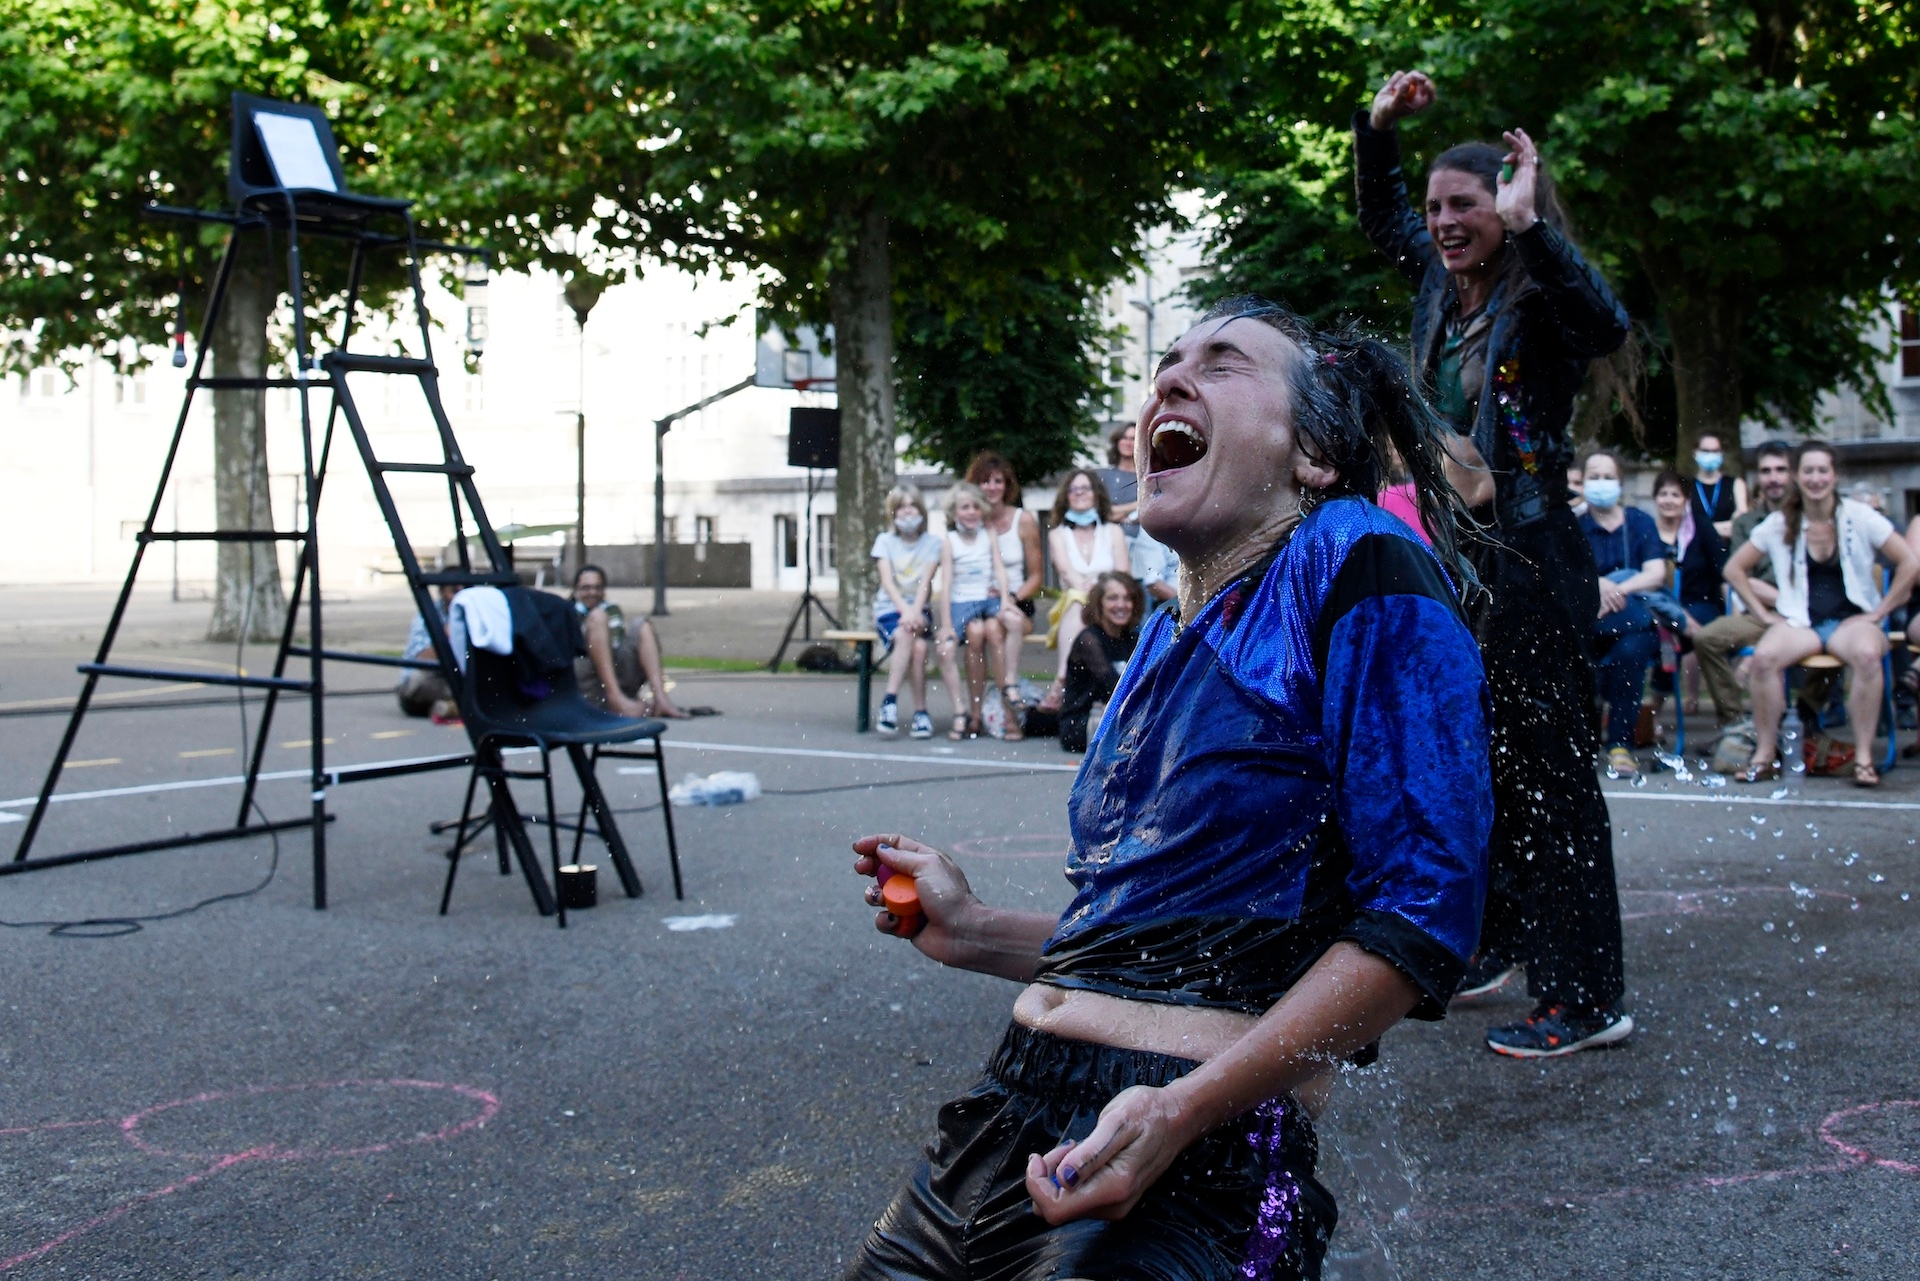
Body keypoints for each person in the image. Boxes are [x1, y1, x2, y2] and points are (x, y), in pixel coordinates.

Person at [842, 299, 1490, 1281]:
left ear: (1313, 452)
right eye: (1166, 366)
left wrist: (1182, 1110)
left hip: (1196, 1150)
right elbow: (1158, 949)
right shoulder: (1156, 637)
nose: (1169, 383)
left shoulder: (1355, 559)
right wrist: (971, 927)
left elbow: (1425, 915)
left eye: (1223, 364)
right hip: (996, 1128)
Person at [1358, 69, 1635, 1054]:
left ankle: (1587, 997)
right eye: (1435, 208)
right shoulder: (1441, 284)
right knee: (1492, 765)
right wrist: (1377, 129)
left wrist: (1531, 228)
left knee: (1553, 774)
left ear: (1503, 207)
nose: (1441, 223)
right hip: (1465, 566)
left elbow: (1608, 324)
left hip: (1534, 558)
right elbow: (1381, 219)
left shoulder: (1536, 292)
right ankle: (1505, 938)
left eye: (1463, 205)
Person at [1723, 443, 1918, 786]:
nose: (1815, 479)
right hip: (1802, 623)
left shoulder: (1860, 516)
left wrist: (1881, 612)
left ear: (1834, 475)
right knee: (1765, 657)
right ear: (1798, 476)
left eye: (1822, 471)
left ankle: (1863, 758)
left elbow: (1909, 562)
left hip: (1851, 621)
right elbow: (1735, 569)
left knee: (1869, 655)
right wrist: (1762, 615)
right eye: (1808, 471)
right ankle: (1765, 755)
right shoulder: (1780, 521)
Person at [1578, 452, 1669, 777]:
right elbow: (1565, 575)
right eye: (1594, 476)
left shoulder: (1639, 522)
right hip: (1590, 619)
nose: (1600, 483)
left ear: (1619, 482)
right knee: (1574, 654)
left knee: (1630, 653)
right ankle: (1582, 742)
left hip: (1633, 620)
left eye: (1607, 476)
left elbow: (1656, 573)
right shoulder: (1575, 527)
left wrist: (1618, 588)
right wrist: (1597, 586)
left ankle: (1620, 745)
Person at [1693, 443, 1794, 731]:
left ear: (1793, 475)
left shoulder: (1809, 517)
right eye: (1766, 471)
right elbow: (1739, 577)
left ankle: (1807, 719)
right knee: (1707, 638)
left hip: (1806, 615)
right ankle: (1734, 724)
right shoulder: (1746, 523)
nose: (1773, 478)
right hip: (1761, 612)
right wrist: (1763, 609)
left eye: (1781, 470)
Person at [1039, 470, 1131, 712]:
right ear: (1066, 496)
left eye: (1085, 488)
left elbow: (1122, 574)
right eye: (1073, 489)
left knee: (1083, 601)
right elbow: (1067, 573)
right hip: (1073, 601)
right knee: (1077, 600)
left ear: (1096, 494)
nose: (1079, 493)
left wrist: (1100, 591)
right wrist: (1087, 590)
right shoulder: (1057, 534)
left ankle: (1060, 683)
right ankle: (1062, 678)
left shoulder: (1113, 531)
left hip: (1111, 601)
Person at [934, 482, 1015, 740]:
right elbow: (945, 584)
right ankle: (966, 710)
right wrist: (946, 623)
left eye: (974, 507)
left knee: (999, 626)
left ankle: (1008, 697)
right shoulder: (950, 541)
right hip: (961, 604)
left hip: (986, 599)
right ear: (954, 513)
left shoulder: (988, 534)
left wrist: (1004, 600)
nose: (970, 512)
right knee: (959, 641)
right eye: (964, 508)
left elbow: (999, 568)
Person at [969, 452, 1045, 719]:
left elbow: (1037, 577)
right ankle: (982, 712)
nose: (991, 487)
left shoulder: (1023, 520)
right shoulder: (969, 519)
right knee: (984, 630)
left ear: (1007, 485)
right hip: (978, 602)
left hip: (1016, 602)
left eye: (998, 481)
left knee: (999, 625)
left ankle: (1007, 702)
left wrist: (1009, 598)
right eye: (985, 481)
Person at [569, 565, 687, 719]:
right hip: (586, 679)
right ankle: (615, 699)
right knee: (598, 617)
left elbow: (618, 642)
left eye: (598, 587)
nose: (592, 592)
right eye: (586, 588)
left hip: (618, 671)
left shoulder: (612, 609)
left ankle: (661, 700)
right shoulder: (568, 611)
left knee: (643, 625)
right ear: (576, 590)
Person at [872, 485, 940, 739]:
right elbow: (888, 583)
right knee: (916, 645)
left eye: (912, 505)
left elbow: (926, 582)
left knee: (909, 636)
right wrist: (905, 611)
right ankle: (918, 712)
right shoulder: (884, 541)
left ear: (921, 509)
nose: (907, 511)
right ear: (893, 512)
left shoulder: (932, 543)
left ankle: (890, 701)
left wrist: (915, 611)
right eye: (901, 506)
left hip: (919, 607)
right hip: (890, 609)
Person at [1651, 468, 1719, 715]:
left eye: (1675, 495)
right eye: (1663, 494)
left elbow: (1721, 570)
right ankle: (1651, 715)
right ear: (1655, 498)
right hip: (1659, 610)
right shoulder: (1646, 531)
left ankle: (1653, 711)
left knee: (1670, 637)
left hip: (1699, 605)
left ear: (1686, 500)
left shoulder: (1701, 529)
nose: (1669, 500)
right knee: (1666, 636)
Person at [1058, 571, 1143, 754]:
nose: (1121, 605)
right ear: (1099, 603)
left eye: (1127, 599)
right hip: (1083, 723)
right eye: (1113, 598)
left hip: (1117, 718)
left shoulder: (1134, 639)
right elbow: (1116, 687)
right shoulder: (1088, 640)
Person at [396, 583, 458, 720]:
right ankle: (453, 705)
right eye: (454, 591)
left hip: (452, 677)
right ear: (442, 592)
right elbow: (422, 659)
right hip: (421, 682)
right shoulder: (427, 615)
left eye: (464, 591)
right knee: (421, 680)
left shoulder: (472, 612)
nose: (459, 597)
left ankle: (451, 706)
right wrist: (448, 635)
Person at [1688, 433, 1747, 542]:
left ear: (1722, 454)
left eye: (1715, 451)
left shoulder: (1736, 484)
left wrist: (1702, 530)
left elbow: (1740, 523)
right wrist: (1722, 527)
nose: (1710, 455)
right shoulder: (1686, 486)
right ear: (1695, 453)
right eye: (1705, 451)